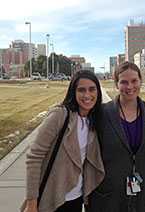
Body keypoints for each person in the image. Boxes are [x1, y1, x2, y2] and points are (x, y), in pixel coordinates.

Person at [21, 70, 105, 212]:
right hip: (52, 199)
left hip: (76, 198)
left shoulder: (93, 120)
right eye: (81, 90)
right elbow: (34, 157)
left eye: (92, 89)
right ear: (73, 92)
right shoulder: (60, 115)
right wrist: (31, 203)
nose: (87, 95)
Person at [86, 61, 145, 212]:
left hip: (141, 193)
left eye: (134, 81)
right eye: (124, 82)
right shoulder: (102, 113)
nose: (130, 86)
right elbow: (90, 152)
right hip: (109, 194)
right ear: (116, 84)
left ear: (140, 81)